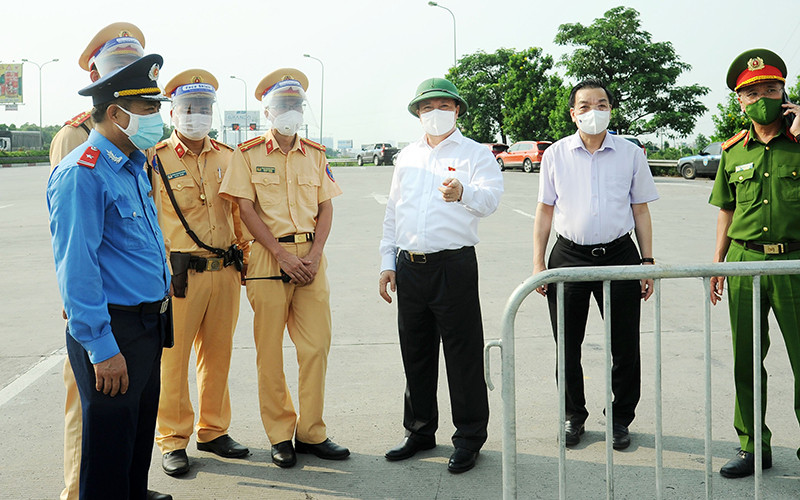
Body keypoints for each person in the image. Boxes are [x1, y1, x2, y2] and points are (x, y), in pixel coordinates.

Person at [48, 22, 170, 500]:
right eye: (148, 107)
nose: (157, 116)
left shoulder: (134, 165)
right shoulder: (83, 173)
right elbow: (76, 270)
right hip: (112, 332)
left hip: (146, 327)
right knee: (105, 460)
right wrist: (101, 347)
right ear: (117, 112)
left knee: (134, 447)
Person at [219, 68, 349, 468]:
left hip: (311, 260)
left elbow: (325, 207)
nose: (290, 111)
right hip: (267, 259)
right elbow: (244, 208)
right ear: (268, 112)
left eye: (295, 104)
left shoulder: (316, 153)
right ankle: (280, 435)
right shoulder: (247, 153)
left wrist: (314, 253)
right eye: (282, 105)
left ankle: (312, 432)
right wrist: (281, 254)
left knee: (315, 348)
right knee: (270, 352)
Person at [378, 77, 503, 474]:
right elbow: (393, 212)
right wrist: (387, 261)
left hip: (454, 266)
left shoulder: (475, 154)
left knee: (462, 355)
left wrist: (463, 192)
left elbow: (491, 200)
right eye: (427, 107)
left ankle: (469, 437)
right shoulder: (407, 156)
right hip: (410, 266)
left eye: (443, 106)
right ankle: (419, 430)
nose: (435, 113)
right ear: (418, 113)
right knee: (415, 352)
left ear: (457, 110)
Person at [532, 79, 658, 450]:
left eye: (601, 104)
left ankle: (621, 419)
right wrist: (538, 261)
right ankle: (574, 416)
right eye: (584, 106)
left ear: (610, 110)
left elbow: (641, 209)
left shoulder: (630, 153)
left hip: (620, 256)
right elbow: (544, 211)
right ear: (573, 113)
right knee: (567, 345)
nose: (593, 112)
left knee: (625, 345)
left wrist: (646, 260)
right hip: (568, 256)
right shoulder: (555, 154)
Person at [152, 70, 250, 476]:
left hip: (224, 271)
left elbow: (240, 214)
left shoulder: (229, 157)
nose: (197, 115)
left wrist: (245, 261)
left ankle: (213, 430)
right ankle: (173, 439)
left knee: (218, 354)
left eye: (204, 108)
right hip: (180, 275)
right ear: (173, 112)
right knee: (172, 360)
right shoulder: (154, 159)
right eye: (189, 108)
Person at [709, 48, 800, 479]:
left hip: (795, 263)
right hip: (744, 263)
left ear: (785, 93)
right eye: (753, 92)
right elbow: (726, 211)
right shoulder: (732, 152)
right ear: (740, 102)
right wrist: (717, 264)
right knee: (746, 359)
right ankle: (751, 447)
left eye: (771, 88)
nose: (762, 96)